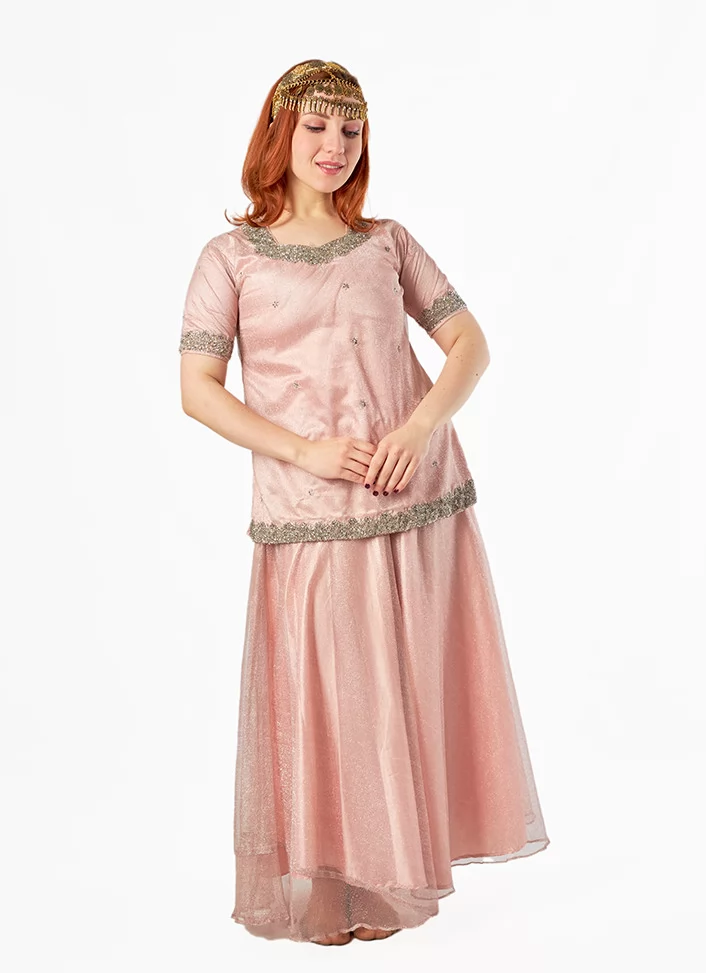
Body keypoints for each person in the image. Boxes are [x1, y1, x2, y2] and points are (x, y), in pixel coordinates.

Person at [178, 59, 550, 947]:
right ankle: (331, 884)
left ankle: (397, 873)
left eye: (350, 130)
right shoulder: (231, 258)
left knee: (407, 686)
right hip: (307, 508)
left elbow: (469, 343)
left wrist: (420, 427)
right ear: (279, 131)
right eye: (316, 127)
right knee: (328, 695)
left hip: (416, 500)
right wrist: (303, 448)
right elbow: (197, 390)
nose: (335, 146)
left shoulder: (387, 242)